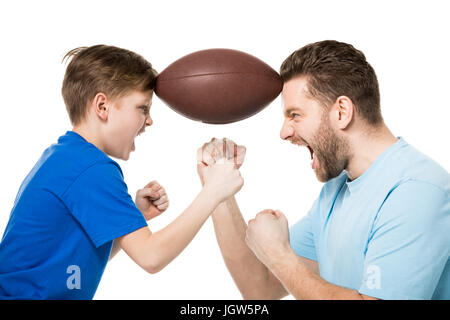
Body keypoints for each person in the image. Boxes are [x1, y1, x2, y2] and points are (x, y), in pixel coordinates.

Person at [197, 40, 450, 300]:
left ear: (341, 112)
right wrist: (218, 190)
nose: (284, 132)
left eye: (295, 115)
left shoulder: (417, 191)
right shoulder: (337, 190)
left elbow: (284, 267)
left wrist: (281, 256)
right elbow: (258, 286)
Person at [0, 45, 244, 299]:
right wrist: (213, 192)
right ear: (102, 107)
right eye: (142, 108)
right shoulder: (92, 169)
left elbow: (69, 263)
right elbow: (152, 257)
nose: (149, 120)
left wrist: (128, 220)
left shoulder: (64, 157)